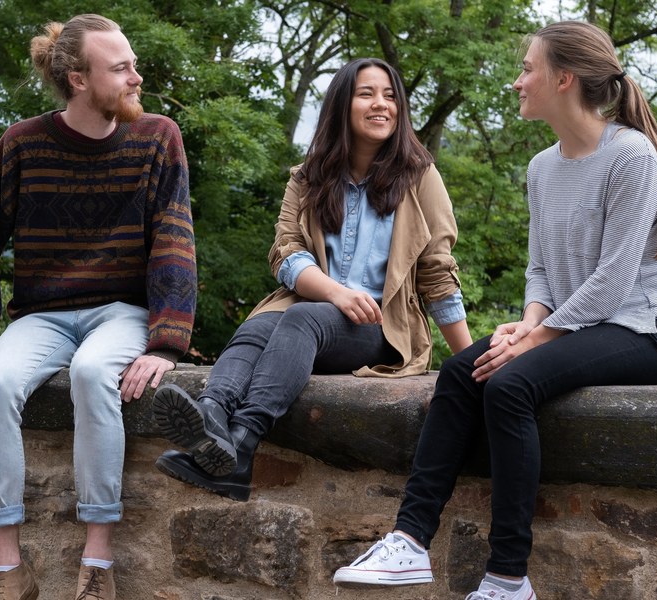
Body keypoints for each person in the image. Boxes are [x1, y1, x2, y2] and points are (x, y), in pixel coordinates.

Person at [332, 21, 657, 599]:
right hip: (580, 323)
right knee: (459, 374)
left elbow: (615, 281)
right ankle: (408, 541)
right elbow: (542, 269)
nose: (517, 80)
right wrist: (529, 321)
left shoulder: (632, 155)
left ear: (564, 79)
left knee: (508, 385)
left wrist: (533, 341)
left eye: (528, 69)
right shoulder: (541, 167)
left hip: (648, 328)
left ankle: (507, 579)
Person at [151, 57, 473, 503]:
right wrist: (336, 292)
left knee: (302, 318)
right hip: (308, 312)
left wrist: (472, 363)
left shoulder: (420, 177)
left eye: (390, 95)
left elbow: (438, 272)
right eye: (366, 94)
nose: (381, 104)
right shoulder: (307, 178)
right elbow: (286, 255)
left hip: (379, 327)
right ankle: (212, 419)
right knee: (260, 324)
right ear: (342, 104)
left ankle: (242, 445)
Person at [0, 14, 196, 600]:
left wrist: (166, 341)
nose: (137, 77)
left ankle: (97, 565)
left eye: (133, 64)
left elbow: (173, 237)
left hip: (123, 312)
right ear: (78, 78)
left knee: (92, 375)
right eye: (121, 68)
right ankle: (10, 569)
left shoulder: (158, 136)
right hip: (42, 316)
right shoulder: (22, 144)